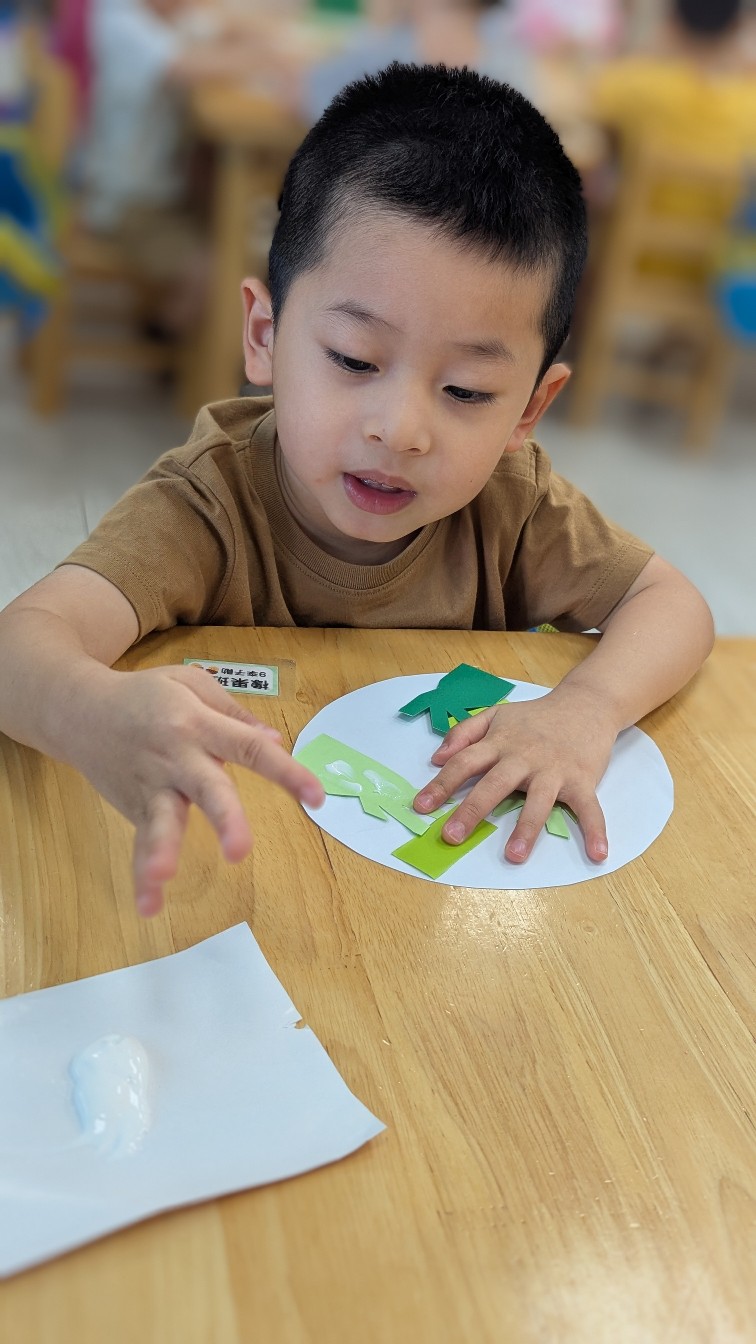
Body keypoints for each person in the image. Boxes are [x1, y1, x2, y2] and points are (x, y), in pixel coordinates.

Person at [0, 63, 714, 916]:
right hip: (255, 891)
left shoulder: (514, 506)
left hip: (433, 900)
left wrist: (587, 708)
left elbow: (672, 603)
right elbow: (20, 646)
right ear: (264, 335)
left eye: (466, 392)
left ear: (530, 406)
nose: (400, 429)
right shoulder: (207, 506)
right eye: (353, 359)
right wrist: (91, 712)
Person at [82, 0, 260, 334]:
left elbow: (222, 26)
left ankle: (186, 332)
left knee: (244, 236)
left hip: (162, 194)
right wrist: (265, 57)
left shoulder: (158, 16)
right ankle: (165, 334)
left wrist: (240, 32)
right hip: (126, 206)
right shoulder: (119, 19)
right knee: (222, 270)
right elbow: (183, 65)